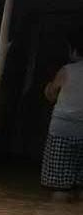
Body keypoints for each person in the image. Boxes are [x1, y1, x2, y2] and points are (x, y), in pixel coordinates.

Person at [41, 30, 83, 201]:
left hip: (62, 131)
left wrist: (48, 86)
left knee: (60, 186)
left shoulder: (67, 70)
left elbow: (51, 95)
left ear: (73, 51)